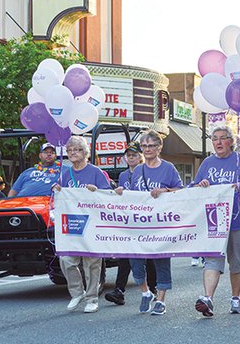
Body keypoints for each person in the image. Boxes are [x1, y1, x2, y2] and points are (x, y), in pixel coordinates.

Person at [193, 126, 240, 317]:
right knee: (212, 260)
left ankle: (235, 298)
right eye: (215, 139)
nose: (219, 142)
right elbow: (194, 188)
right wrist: (201, 185)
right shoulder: (207, 163)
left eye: (223, 138)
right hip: (214, 221)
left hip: (239, 221)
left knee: (237, 262)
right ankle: (207, 299)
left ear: (231, 141)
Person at [115, 130, 182, 316]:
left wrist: (165, 190)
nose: (148, 149)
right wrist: (121, 192)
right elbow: (132, 196)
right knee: (135, 258)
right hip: (140, 223)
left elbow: (180, 191)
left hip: (160, 223)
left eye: (152, 145)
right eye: (144, 146)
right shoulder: (138, 171)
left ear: (159, 147)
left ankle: (161, 299)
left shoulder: (168, 168)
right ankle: (145, 292)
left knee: (161, 260)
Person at [54, 136, 112, 314]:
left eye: (77, 150)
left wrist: (96, 191)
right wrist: (57, 189)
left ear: (85, 153)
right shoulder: (66, 173)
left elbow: (107, 194)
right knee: (66, 260)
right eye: (70, 150)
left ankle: (92, 298)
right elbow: (63, 196)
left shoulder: (95, 172)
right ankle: (77, 293)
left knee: (92, 262)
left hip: (92, 223)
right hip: (72, 224)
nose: (72, 153)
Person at [104, 142, 157, 306]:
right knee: (125, 254)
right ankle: (119, 290)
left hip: (146, 219)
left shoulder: (147, 173)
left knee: (148, 256)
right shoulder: (123, 175)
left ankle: (153, 289)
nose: (131, 157)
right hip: (128, 220)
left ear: (140, 156)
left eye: (134, 155)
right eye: (128, 155)